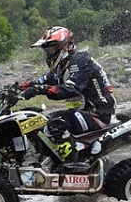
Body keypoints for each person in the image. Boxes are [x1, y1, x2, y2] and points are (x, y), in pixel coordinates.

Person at [20, 26, 116, 162]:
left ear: (64, 46)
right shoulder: (63, 66)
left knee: (56, 123)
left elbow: (71, 87)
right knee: (37, 122)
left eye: (52, 49)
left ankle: (72, 163)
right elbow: (44, 80)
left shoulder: (80, 60)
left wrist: (41, 89)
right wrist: (20, 87)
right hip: (83, 112)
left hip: (98, 113)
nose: (49, 53)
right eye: (47, 50)